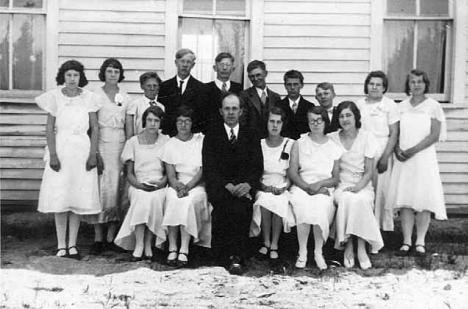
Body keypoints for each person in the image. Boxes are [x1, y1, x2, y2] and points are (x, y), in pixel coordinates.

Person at [35, 60, 101, 259]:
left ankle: (72, 244)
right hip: (62, 149)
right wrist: (53, 154)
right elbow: (49, 128)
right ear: (63, 77)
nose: (72, 79)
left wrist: (93, 154)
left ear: (81, 77)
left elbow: (95, 127)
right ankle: (61, 245)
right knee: (61, 198)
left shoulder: (89, 98)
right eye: (69, 75)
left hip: (82, 149)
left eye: (76, 75)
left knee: (77, 198)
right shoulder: (54, 97)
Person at [386, 69, 447, 257]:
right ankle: (406, 240)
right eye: (413, 82)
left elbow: (435, 135)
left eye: (420, 81)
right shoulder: (401, 106)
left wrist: (413, 150)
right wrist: (397, 150)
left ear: (426, 84)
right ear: (408, 85)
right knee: (406, 200)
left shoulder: (433, 106)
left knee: (423, 198)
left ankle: (420, 241)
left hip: (423, 158)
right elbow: (395, 133)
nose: (417, 85)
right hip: (404, 159)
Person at [203, 92, 263, 275]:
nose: (230, 112)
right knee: (223, 207)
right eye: (227, 108)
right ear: (221, 111)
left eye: (234, 108)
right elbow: (209, 166)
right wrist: (226, 185)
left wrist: (247, 184)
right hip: (221, 186)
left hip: (244, 187)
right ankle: (220, 256)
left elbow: (257, 166)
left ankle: (237, 257)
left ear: (241, 111)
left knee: (241, 208)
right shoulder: (212, 135)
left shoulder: (251, 134)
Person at [329, 101, 383, 270]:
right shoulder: (332, 138)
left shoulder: (367, 137)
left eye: (348, 115)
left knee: (359, 200)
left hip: (363, 184)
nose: (345, 119)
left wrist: (359, 187)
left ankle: (360, 247)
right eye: (341, 116)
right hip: (342, 183)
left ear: (356, 117)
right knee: (346, 198)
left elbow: (369, 171)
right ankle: (350, 245)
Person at [88, 58, 133, 255]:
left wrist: (129, 152)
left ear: (120, 74)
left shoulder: (126, 97)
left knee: (116, 187)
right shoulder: (94, 95)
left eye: (116, 71)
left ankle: (111, 236)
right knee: (100, 187)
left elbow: (129, 128)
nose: (112, 74)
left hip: (120, 144)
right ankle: (98, 236)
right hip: (101, 141)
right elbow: (92, 126)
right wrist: (94, 151)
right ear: (103, 73)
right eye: (109, 71)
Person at [288, 106, 342, 270]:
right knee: (303, 204)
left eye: (319, 120)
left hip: (324, 187)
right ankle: (303, 251)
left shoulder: (334, 146)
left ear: (325, 122)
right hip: (302, 186)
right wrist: (307, 187)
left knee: (320, 206)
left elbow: (335, 178)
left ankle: (318, 252)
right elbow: (292, 172)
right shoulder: (299, 143)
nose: (316, 124)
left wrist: (319, 185)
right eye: (312, 120)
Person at [114, 106, 169, 260]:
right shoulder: (133, 142)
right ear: (144, 121)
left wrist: (161, 183)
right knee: (141, 198)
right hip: (138, 183)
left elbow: (168, 172)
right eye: (150, 120)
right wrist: (140, 186)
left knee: (155, 198)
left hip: (158, 183)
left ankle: (148, 243)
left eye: (156, 121)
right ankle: (139, 244)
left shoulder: (166, 141)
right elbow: (129, 174)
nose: (152, 124)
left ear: (160, 123)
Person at [160, 106, 211, 268]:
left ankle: (185, 247)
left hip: (196, 185)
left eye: (187, 121)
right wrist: (178, 187)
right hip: (177, 184)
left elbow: (202, 171)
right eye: (180, 121)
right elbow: (171, 175)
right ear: (175, 123)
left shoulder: (199, 141)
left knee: (188, 202)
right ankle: (173, 246)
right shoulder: (170, 144)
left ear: (192, 123)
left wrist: (187, 187)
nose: (183, 125)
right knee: (173, 200)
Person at [356, 71, 399, 243]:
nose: (374, 87)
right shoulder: (360, 104)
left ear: (384, 88)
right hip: (363, 151)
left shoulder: (390, 105)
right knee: (365, 190)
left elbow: (394, 132)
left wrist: (385, 157)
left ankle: (383, 231)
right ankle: (364, 231)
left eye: (378, 84)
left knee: (382, 191)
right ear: (366, 85)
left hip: (382, 150)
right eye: (371, 83)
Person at [250, 107, 294, 261]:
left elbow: (292, 174)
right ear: (267, 123)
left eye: (278, 122)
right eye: (271, 121)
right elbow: (254, 171)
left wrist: (283, 188)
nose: (275, 125)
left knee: (279, 201)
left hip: (282, 186)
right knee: (264, 200)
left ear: (283, 124)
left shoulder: (290, 144)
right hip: (263, 185)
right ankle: (266, 241)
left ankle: (275, 243)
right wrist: (262, 186)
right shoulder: (259, 144)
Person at [158, 48, 207, 135]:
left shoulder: (201, 88)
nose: (185, 65)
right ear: (176, 63)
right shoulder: (164, 86)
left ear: (193, 65)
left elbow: (202, 117)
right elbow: (161, 113)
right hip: (169, 135)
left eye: (188, 62)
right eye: (182, 61)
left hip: (191, 135)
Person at [240, 60, 281, 138]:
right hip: (251, 141)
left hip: (271, 141)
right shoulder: (244, 96)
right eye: (252, 76)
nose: (255, 79)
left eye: (258, 75)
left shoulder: (275, 97)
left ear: (265, 73)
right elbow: (242, 123)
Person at [204, 52, 243, 132]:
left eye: (228, 65)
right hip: (211, 133)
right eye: (221, 65)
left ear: (233, 69)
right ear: (215, 68)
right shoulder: (205, 89)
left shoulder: (239, 89)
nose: (224, 68)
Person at [277, 70, 314, 139]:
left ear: (301, 85)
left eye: (295, 84)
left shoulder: (309, 107)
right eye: (289, 84)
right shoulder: (278, 106)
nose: (292, 88)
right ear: (285, 86)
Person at [128, 71, 165, 135]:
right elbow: (130, 131)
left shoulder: (161, 107)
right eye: (149, 86)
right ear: (142, 87)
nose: (152, 89)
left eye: (155, 85)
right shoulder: (135, 105)